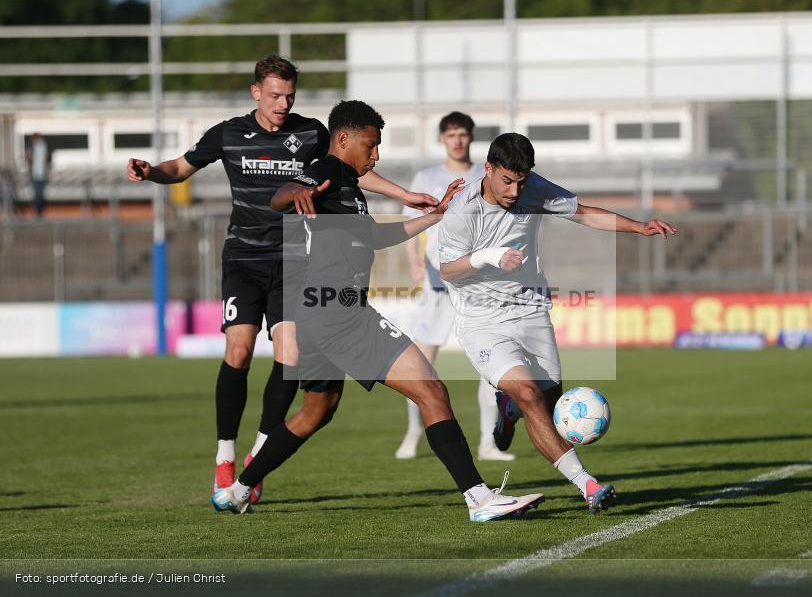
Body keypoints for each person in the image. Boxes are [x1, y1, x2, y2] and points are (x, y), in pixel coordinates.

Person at [211, 100, 544, 522]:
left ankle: (238, 489)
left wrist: (433, 217)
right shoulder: (328, 172)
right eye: (371, 145)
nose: (376, 156)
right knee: (432, 390)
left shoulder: (347, 185)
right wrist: (292, 191)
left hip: (316, 311)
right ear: (344, 139)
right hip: (340, 311)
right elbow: (283, 196)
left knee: (317, 411)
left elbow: (371, 238)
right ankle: (478, 498)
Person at [125, 55, 435, 504]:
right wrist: (149, 171)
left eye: (289, 96)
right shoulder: (228, 134)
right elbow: (179, 168)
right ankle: (224, 456)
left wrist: (406, 196)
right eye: (274, 95)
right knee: (240, 347)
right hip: (245, 259)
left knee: (290, 355)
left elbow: (350, 169)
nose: (282, 104)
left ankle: (260, 453)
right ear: (256, 92)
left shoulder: (311, 133)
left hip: (295, 260)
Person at [438, 133, 677, 514]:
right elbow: (448, 270)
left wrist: (638, 226)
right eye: (506, 181)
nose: (515, 191)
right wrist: (489, 256)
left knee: (548, 408)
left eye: (521, 181)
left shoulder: (533, 189)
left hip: (532, 312)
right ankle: (588, 485)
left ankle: (511, 408)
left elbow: (583, 212)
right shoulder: (461, 212)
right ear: (488, 169)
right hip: (483, 320)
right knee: (530, 394)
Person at [395, 111, 512, 462]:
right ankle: (415, 430)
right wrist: (413, 260)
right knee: (419, 361)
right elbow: (411, 223)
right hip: (438, 282)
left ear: (471, 137)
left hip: (479, 284)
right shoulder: (428, 177)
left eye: (463, 134)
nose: (457, 140)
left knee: (491, 361)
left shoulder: (484, 174)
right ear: (443, 139)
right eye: (451, 135)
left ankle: (488, 443)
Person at [25, 132, 50, 218]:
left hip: (39, 174)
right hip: (39, 174)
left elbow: (42, 159)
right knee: (39, 194)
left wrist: (29, 156)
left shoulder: (39, 146)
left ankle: (39, 212)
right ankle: (39, 212)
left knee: (38, 195)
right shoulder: (40, 146)